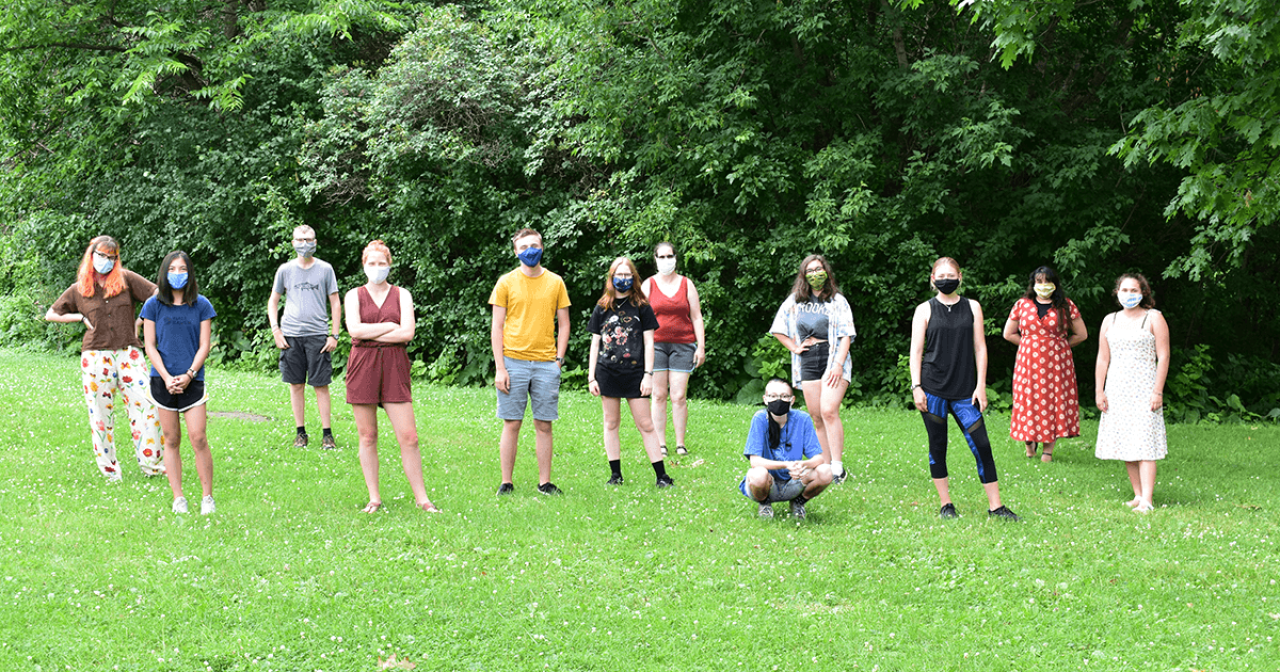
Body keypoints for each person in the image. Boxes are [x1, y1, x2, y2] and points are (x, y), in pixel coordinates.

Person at [45, 235, 165, 481]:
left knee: (147, 407)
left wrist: (140, 320)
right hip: (95, 356)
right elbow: (51, 314)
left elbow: (157, 293)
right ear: (92, 256)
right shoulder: (79, 289)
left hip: (129, 353)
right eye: (102, 256)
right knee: (100, 415)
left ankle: (153, 466)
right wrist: (79, 318)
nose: (107, 261)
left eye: (112, 257)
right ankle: (110, 472)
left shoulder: (127, 279)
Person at [909, 257, 1019, 521]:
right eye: (941, 274)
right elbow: (916, 351)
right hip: (933, 389)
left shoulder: (973, 307)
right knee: (938, 445)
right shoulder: (924, 309)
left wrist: (981, 386)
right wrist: (916, 386)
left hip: (965, 391)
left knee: (982, 445)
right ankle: (946, 504)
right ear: (932, 279)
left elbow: (980, 348)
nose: (946, 278)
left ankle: (996, 507)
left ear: (960, 276)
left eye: (951, 274)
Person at [343, 240, 439, 514]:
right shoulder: (354, 295)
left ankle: (423, 499)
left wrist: (372, 330)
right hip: (363, 365)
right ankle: (374, 497)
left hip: (395, 366)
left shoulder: (402, 295)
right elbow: (355, 331)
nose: (376, 268)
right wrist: (388, 325)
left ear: (389, 265)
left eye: (381, 263)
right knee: (367, 435)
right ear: (364, 265)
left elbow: (407, 333)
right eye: (371, 263)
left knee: (409, 437)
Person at [489, 228, 571, 496]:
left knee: (544, 424)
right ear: (516, 252)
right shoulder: (505, 283)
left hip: (547, 363)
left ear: (542, 247)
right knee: (511, 422)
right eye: (523, 247)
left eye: (534, 245)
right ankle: (506, 482)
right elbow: (497, 327)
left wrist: (558, 360)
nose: (529, 250)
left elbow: (564, 323)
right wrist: (500, 368)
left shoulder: (556, 282)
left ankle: (545, 483)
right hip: (513, 362)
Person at [141, 251, 217, 515]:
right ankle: (178, 498)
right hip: (162, 380)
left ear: (190, 273)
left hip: (192, 381)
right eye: (172, 269)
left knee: (198, 438)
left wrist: (189, 374)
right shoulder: (153, 305)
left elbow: (204, 345)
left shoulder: (202, 305)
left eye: (182, 269)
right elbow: (150, 345)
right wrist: (166, 376)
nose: (177, 274)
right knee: (171, 439)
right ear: (164, 273)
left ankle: (207, 497)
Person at [769, 254, 856, 483]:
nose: (815, 273)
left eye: (819, 269)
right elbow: (778, 328)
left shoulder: (837, 300)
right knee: (817, 416)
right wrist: (795, 348)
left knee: (829, 410)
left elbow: (846, 335)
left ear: (826, 272)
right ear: (803, 275)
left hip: (832, 357)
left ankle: (838, 467)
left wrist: (838, 364)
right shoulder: (795, 301)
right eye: (810, 270)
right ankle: (825, 466)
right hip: (807, 360)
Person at [588, 257, 673, 488]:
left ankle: (662, 476)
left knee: (646, 424)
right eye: (619, 275)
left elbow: (649, 343)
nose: (623, 279)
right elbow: (595, 344)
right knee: (611, 423)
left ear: (634, 278)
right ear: (611, 277)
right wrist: (591, 376)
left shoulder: (642, 307)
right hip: (607, 372)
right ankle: (615, 475)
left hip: (636, 374)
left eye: (627, 275)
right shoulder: (602, 307)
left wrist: (648, 375)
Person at [1094, 273, 1169, 513]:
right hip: (1117, 389)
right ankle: (1137, 495)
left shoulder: (1153, 318)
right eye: (1124, 290)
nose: (1129, 295)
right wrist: (1099, 390)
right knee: (1127, 442)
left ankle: (1147, 499)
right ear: (1117, 293)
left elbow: (1164, 355)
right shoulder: (1110, 320)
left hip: (1145, 388)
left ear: (1143, 292)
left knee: (1145, 442)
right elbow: (1103, 358)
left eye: (1134, 290)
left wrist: (1157, 391)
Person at [1002, 265, 1088, 462]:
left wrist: (1059, 345)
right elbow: (1008, 333)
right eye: (1039, 281)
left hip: (1057, 364)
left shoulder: (1066, 305)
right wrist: (1030, 344)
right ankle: (1029, 445)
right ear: (1033, 284)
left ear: (1055, 284)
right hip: (1028, 363)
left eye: (1047, 281)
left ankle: (1048, 451)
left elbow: (1082, 334)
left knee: (1053, 401)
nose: (1043, 285)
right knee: (1028, 399)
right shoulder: (1022, 304)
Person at [267, 224, 341, 449]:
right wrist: (276, 331)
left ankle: (327, 434)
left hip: (318, 335)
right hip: (291, 335)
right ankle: (301, 433)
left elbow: (335, 302)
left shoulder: (326, 269)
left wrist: (334, 335)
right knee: (296, 385)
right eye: (299, 240)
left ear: (315, 242)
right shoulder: (285, 270)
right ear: (292, 243)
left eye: (308, 239)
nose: (304, 244)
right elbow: (273, 301)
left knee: (321, 385)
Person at [641, 242, 706, 457]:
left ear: (675, 258)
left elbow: (696, 317)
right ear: (655, 259)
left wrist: (701, 346)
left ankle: (680, 443)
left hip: (684, 345)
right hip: (656, 346)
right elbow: (640, 320)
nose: (666, 260)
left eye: (669, 256)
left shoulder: (687, 285)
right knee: (658, 395)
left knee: (678, 396)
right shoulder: (648, 285)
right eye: (662, 257)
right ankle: (660, 443)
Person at [738, 377, 833, 520]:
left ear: (792, 400)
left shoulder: (803, 419)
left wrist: (802, 465)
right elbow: (755, 462)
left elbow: (819, 458)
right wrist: (786, 465)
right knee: (758, 475)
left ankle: (799, 502)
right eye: (773, 396)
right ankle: (764, 503)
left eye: (784, 396)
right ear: (765, 399)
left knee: (826, 471)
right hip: (767, 483)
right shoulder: (759, 418)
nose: (778, 400)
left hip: (794, 480)